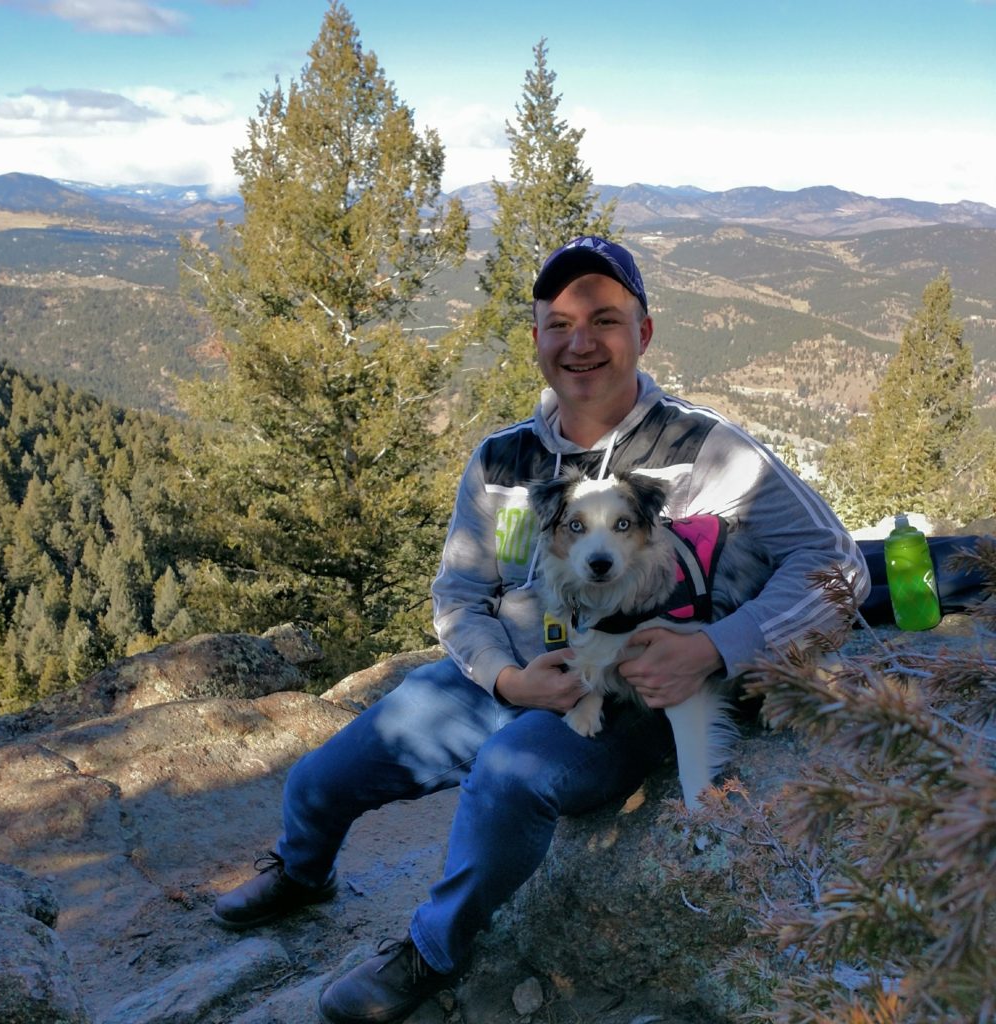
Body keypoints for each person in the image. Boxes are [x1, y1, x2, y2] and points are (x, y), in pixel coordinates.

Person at [212, 236, 870, 1024]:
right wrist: (505, 678)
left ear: (644, 333)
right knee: (320, 779)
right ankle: (303, 870)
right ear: (537, 341)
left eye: (604, 319)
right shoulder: (503, 461)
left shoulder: (707, 450)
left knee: (510, 775)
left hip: (631, 698)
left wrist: (711, 649)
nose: (580, 341)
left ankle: (430, 951)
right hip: (515, 675)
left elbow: (834, 565)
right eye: (558, 323)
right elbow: (460, 593)